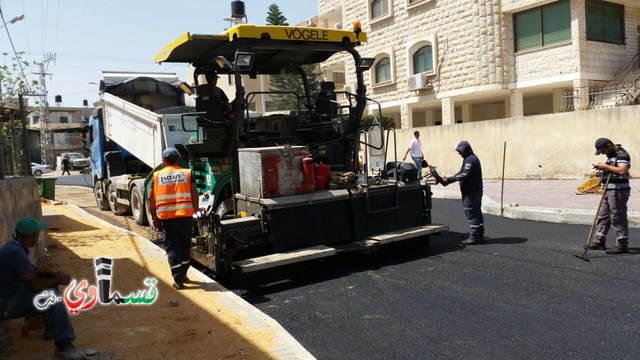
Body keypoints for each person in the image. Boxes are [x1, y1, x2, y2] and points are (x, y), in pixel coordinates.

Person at [0, 217, 86, 360]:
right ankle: (63, 346)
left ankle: (52, 330)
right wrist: (60, 280)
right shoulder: (15, 253)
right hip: (4, 304)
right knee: (49, 295)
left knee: (49, 284)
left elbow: (34, 271)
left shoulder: (14, 247)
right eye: (38, 233)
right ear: (33, 236)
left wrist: (53, 274)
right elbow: (35, 285)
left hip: (9, 297)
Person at [148, 148, 201, 290]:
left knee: (173, 249)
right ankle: (183, 274)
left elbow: (150, 198)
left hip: (166, 218)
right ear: (178, 159)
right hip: (185, 216)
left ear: (164, 161)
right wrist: (196, 209)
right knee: (185, 246)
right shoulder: (187, 173)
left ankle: (178, 279)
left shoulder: (157, 176)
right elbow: (194, 193)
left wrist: (154, 218)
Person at [588, 137, 631, 254]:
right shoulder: (611, 155)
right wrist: (601, 169)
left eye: (603, 150)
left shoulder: (622, 154)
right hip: (608, 190)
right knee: (603, 216)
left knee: (617, 216)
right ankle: (599, 240)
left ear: (609, 145)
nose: (603, 153)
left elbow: (622, 170)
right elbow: (612, 170)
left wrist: (605, 166)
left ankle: (622, 243)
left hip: (618, 191)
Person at [442, 141, 485, 245]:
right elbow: (461, 172)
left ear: (466, 150)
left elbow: (464, 174)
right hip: (476, 191)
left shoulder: (470, 160)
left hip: (470, 192)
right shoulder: (470, 159)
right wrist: (448, 178)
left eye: (461, 151)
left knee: (471, 212)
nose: (460, 154)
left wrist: (450, 180)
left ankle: (475, 236)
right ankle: (480, 234)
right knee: (477, 212)